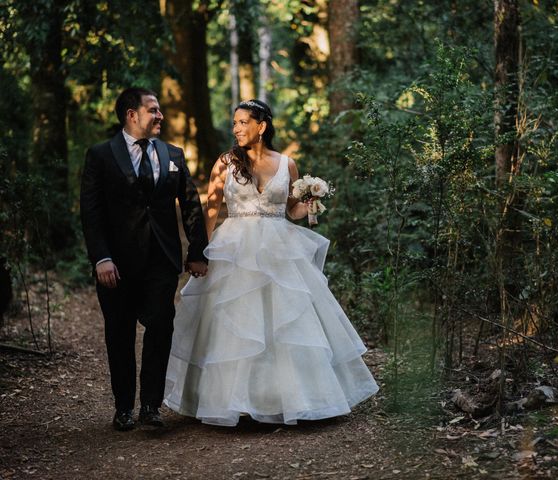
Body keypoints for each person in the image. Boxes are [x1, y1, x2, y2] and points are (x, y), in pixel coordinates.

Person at [164, 99, 378, 426]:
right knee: (236, 326)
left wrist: (309, 205)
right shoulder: (225, 163)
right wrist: (199, 253)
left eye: (242, 122)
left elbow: (291, 210)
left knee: (285, 325)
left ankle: (286, 399)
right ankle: (235, 401)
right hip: (235, 249)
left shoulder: (287, 164)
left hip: (280, 249)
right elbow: (210, 213)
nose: (235, 128)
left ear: (261, 126)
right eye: (234, 122)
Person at [80, 87, 209, 431]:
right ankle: (123, 408)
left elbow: (192, 205)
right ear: (131, 115)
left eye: (160, 110)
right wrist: (101, 257)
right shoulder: (101, 155)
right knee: (119, 335)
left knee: (160, 328)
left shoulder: (173, 154)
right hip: (117, 265)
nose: (160, 116)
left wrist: (197, 252)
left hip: (161, 260)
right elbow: (91, 212)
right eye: (153, 110)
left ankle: (150, 405)